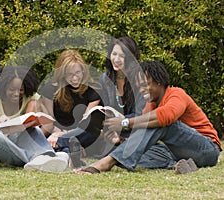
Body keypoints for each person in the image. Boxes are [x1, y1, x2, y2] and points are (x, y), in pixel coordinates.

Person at [75, 60, 221, 174]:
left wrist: (125, 122)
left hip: (207, 150)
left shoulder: (177, 94)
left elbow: (166, 117)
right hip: (177, 153)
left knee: (162, 123)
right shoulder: (149, 105)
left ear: (159, 81)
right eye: (138, 85)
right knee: (137, 153)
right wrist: (119, 141)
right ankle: (184, 165)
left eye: (145, 84)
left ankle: (105, 164)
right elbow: (142, 137)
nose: (141, 89)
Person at [98, 37, 175, 169]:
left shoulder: (140, 80)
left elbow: (143, 114)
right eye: (114, 54)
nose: (116, 59)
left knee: (151, 152)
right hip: (114, 134)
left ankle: (167, 160)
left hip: (138, 131)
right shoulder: (105, 79)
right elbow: (104, 108)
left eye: (122, 56)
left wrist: (122, 122)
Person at [39, 49, 103, 168]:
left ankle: (64, 147)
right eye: (70, 74)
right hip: (56, 133)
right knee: (61, 141)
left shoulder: (93, 90)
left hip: (81, 134)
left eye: (78, 72)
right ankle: (70, 155)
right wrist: (57, 134)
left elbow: (85, 123)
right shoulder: (50, 89)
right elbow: (50, 121)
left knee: (91, 128)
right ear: (62, 74)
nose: (75, 78)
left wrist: (61, 138)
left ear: (83, 71)